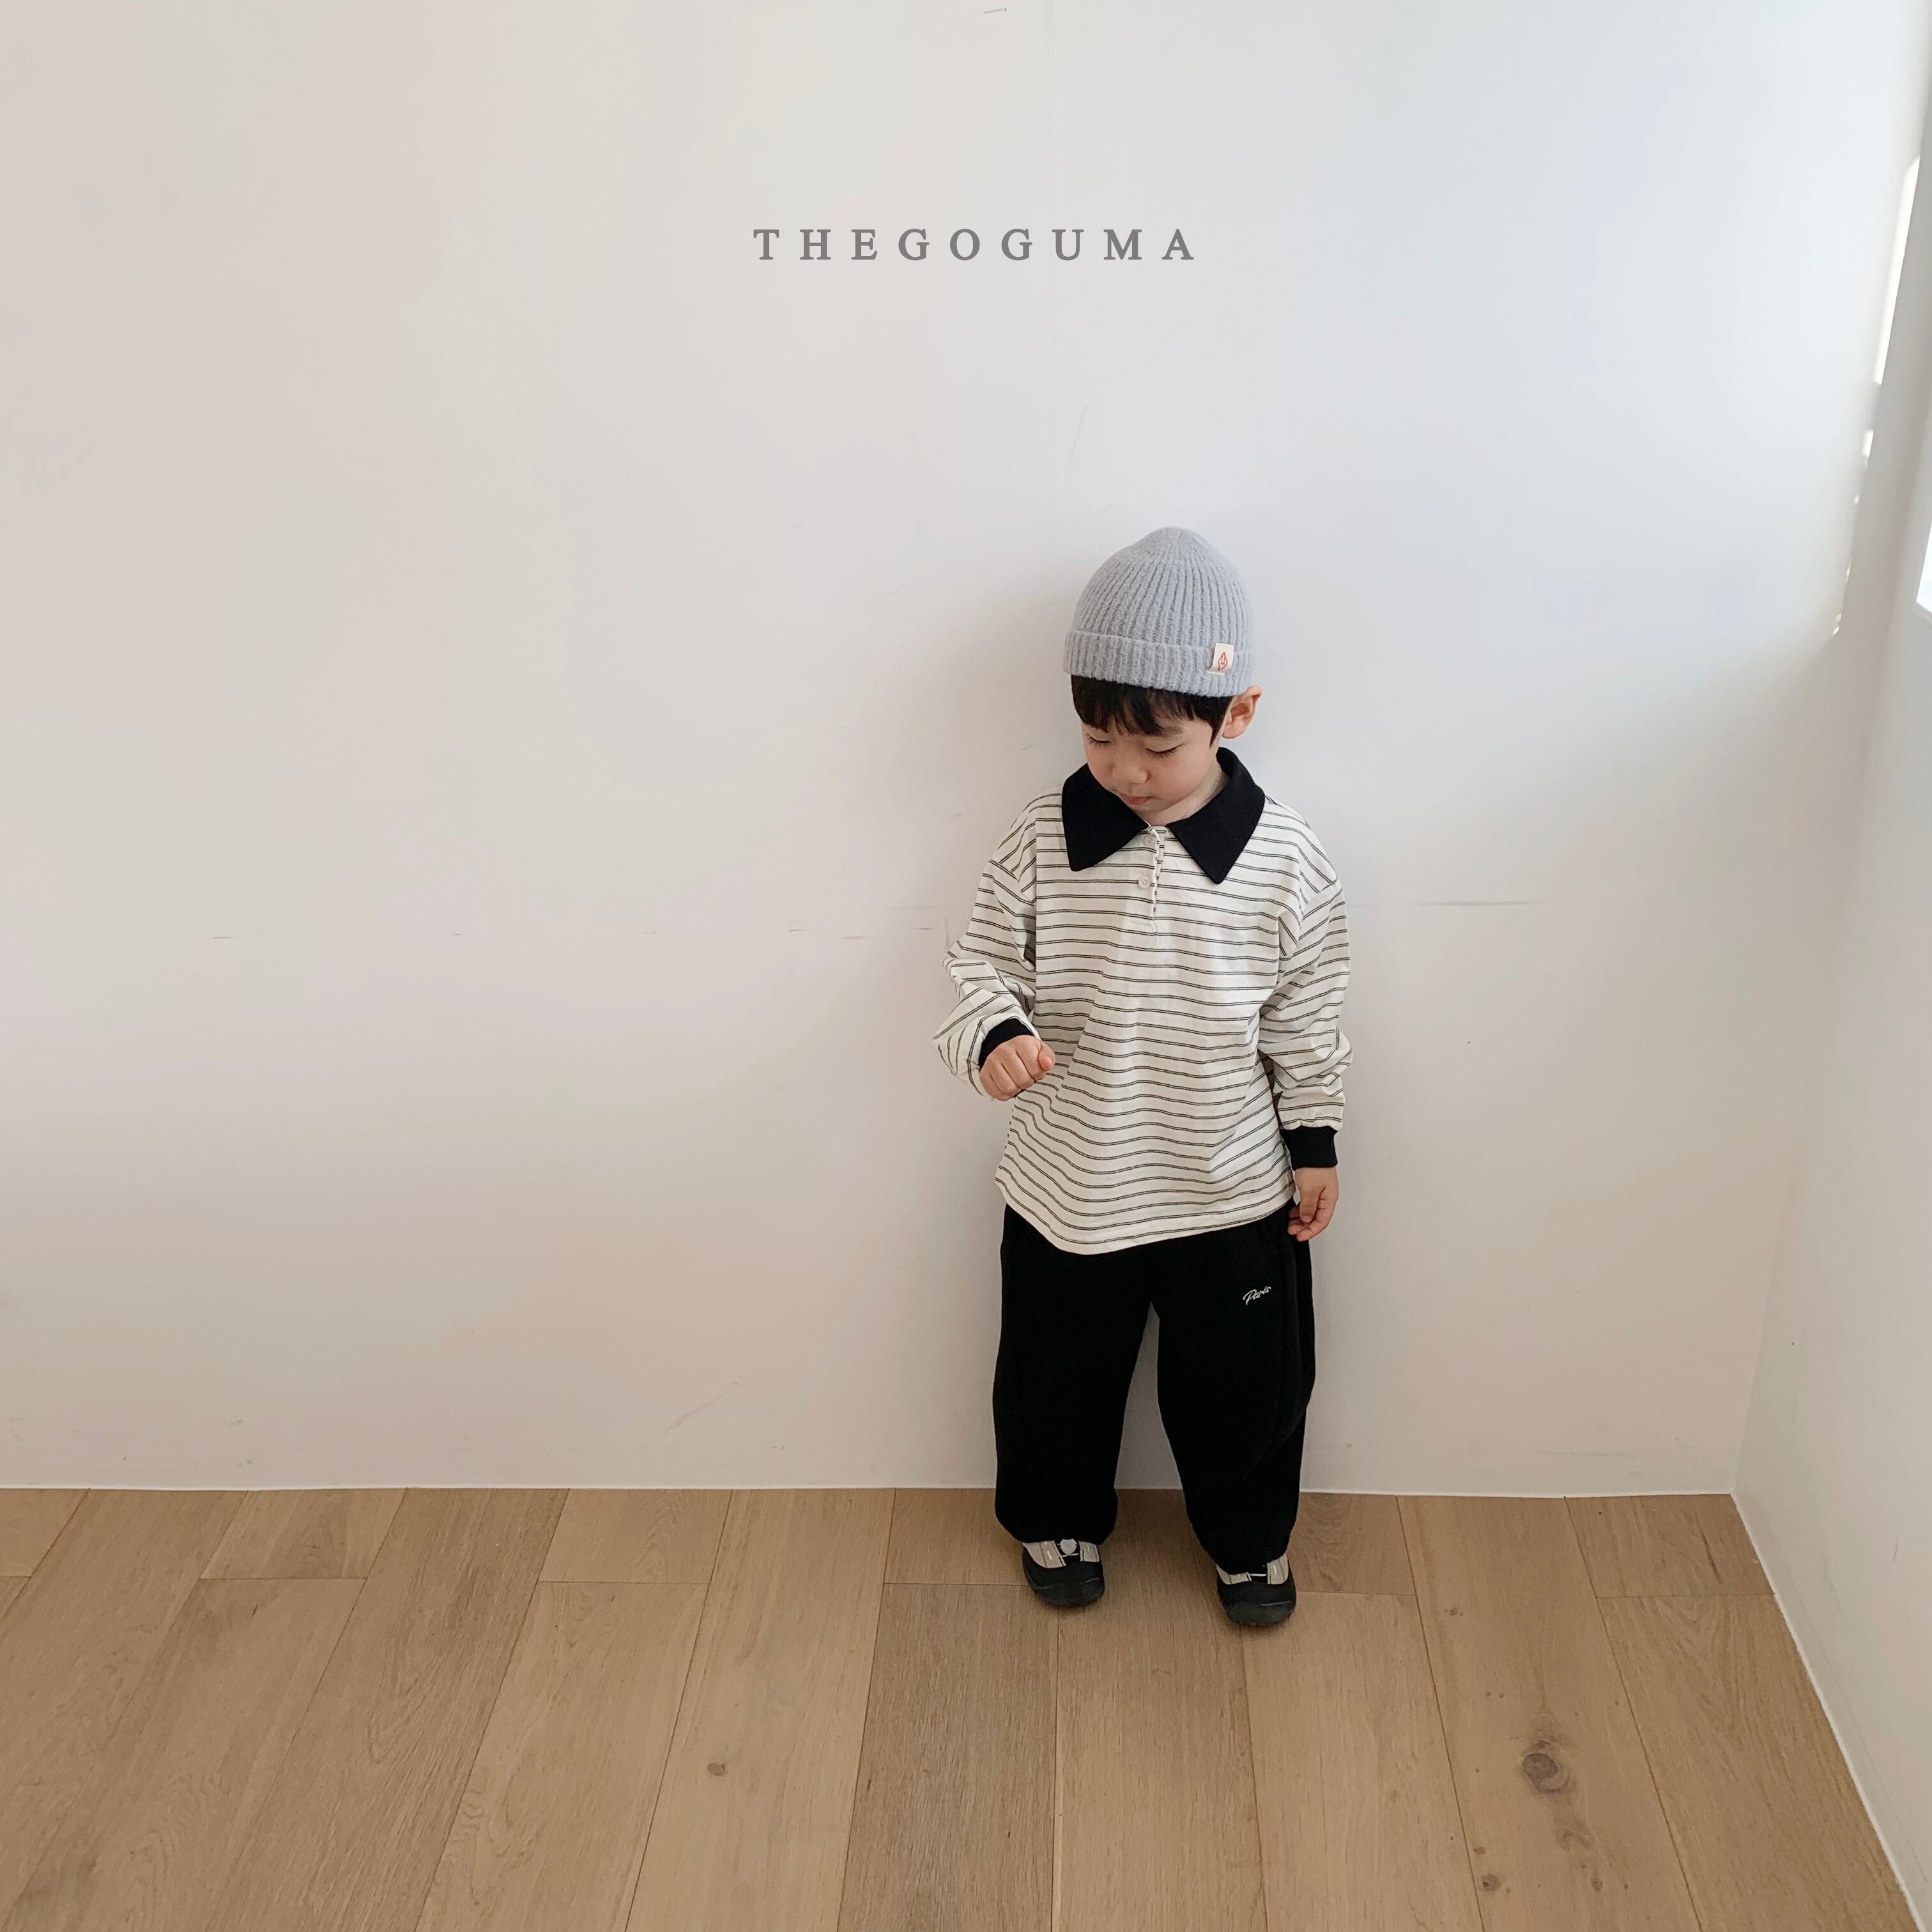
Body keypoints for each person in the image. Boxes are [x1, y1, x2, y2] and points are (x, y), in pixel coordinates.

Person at [933, 526, 1351, 1627]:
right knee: (1054, 1377)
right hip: (1073, 1180)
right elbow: (979, 959)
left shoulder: (1288, 858)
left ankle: (1249, 1543)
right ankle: (1056, 1518)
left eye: (1158, 746)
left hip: (1229, 1185)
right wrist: (996, 1034)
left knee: (1248, 1390)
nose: (1123, 770)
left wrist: (1314, 1143)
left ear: (1235, 715)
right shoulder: (1044, 835)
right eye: (1098, 738)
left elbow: (1307, 1014)